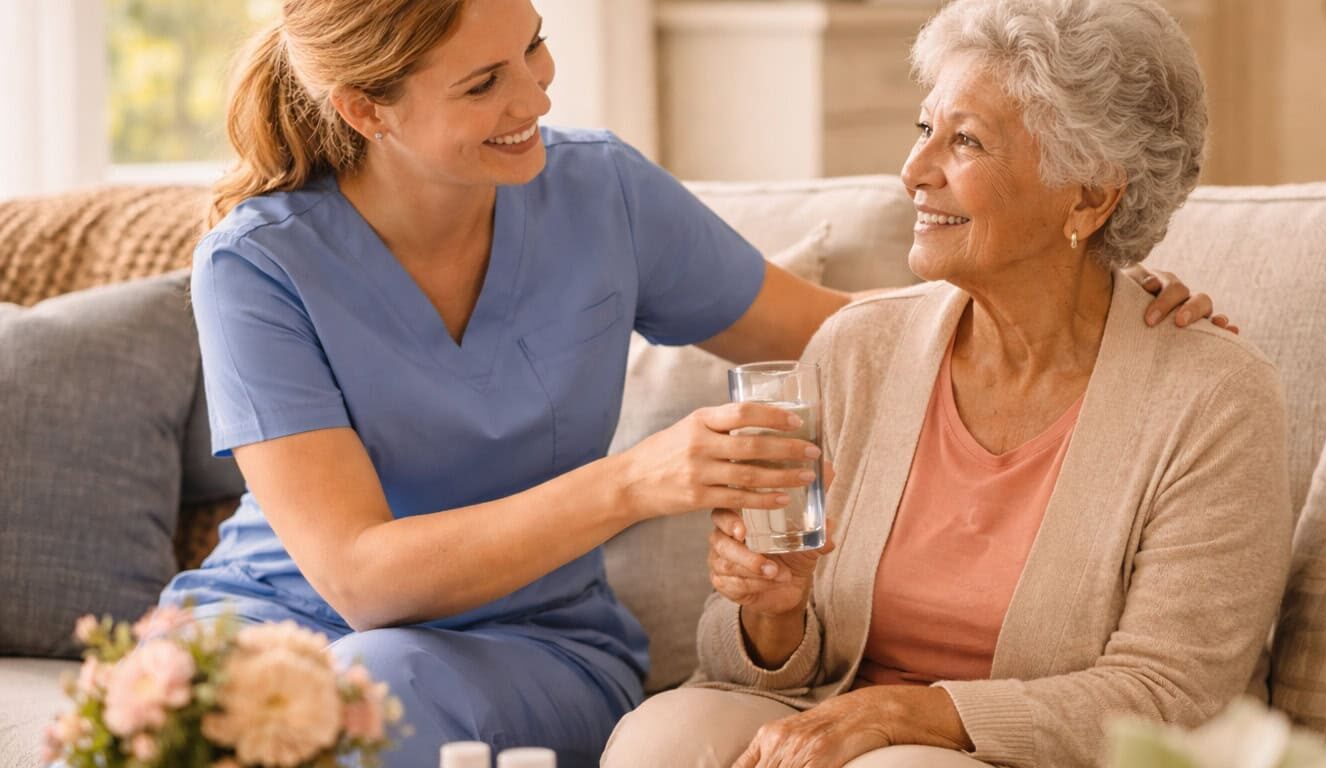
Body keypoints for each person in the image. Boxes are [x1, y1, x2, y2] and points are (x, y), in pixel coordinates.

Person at [160, 0, 1225, 765]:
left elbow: (870, 344)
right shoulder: (259, 261)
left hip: (523, 645)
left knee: (368, 703)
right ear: (365, 110)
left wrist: (1101, 298)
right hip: (274, 618)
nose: (533, 94)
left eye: (534, 46)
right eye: (483, 83)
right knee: (172, 720)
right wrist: (636, 483)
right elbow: (361, 580)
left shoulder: (598, 194)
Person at [600, 1, 1291, 767]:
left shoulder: (1215, 399)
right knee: (657, 741)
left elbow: (1172, 696)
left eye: (965, 141)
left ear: (1091, 196)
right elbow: (749, 665)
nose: (914, 172)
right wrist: (774, 610)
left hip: (1027, 752)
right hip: (834, 724)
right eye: (924, 129)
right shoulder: (859, 348)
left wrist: (911, 715)